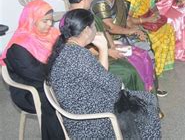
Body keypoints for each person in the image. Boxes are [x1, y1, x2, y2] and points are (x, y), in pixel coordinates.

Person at [47, 9, 161, 139]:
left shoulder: (66, 49)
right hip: (91, 121)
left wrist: (103, 50)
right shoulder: (80, 56)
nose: (96, 29)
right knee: (148, 105)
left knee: (144, 98)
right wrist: (103, 48)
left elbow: (99, 76)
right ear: (86, 31)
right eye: (94, 26)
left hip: (82, 108)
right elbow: (114, 86)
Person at [0, 0, 65, 139]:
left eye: (51, 21)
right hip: (29, 91)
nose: (49, 25)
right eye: (45, 21)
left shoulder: (52, 34)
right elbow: (37, 76)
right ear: (32, 20)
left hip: (49, 81)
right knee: (61, 98)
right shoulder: (19, 47)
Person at [68, 0, 145, 91]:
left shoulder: (86, 13)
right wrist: (107, 51)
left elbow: (104, 31)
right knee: (129, 72)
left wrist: (112, 46)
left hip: (103, 50)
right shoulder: (72, 19)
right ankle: (131, 103)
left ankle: (143, 99)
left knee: (138, 59)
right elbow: (78, 48)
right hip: (90, 60)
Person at [91, 0, 156, 92]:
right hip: (108, 43)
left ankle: (151, 86)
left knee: (147, 45)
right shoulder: (98, 4)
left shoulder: (120, 2)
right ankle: (141, 90)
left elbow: (128, 21)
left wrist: (138, 30)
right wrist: (131, 31)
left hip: (124, 37)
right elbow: (110, 28)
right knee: (139, 58)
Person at [122, 0, 175, 77]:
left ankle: (162, 64)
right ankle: (154, 68)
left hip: (147, 22)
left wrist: (156, 14)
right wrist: (147, 19)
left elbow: (154, 8)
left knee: (168, 28)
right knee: (155, 37)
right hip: (134, 25)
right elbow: (128, 20)